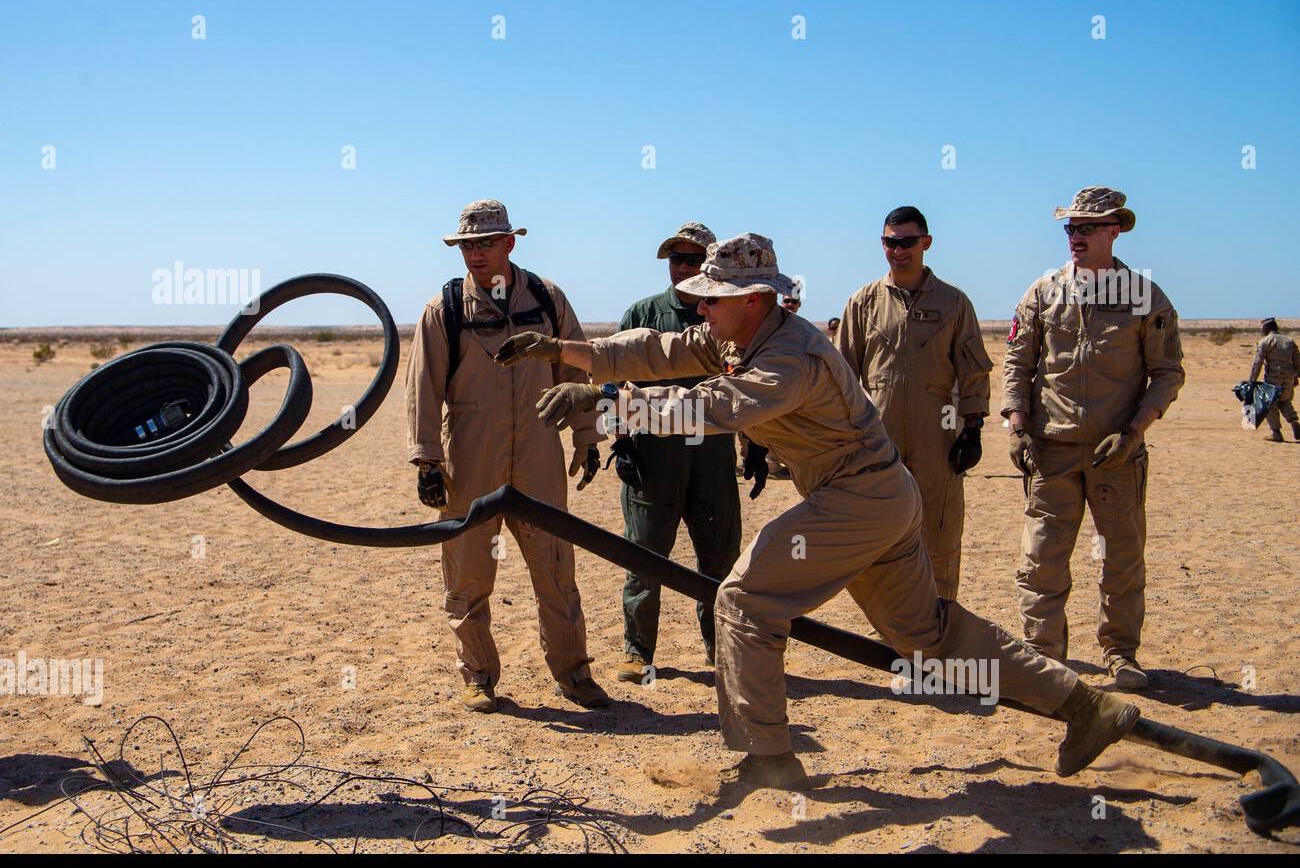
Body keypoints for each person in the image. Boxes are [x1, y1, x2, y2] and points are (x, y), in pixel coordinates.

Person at [497, 232, 1139, 789]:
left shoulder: (787, 356)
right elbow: (657, 352)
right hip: (876, 498)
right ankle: (1085, 707)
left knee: (745, 601)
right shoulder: (738, 332)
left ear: (753, 299)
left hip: (858, 498)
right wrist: (560, 351)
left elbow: (708, 411)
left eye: (712, 298)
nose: (700, 307)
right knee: (928, 638)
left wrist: (605, 405)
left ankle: (768, 758)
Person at [405, 199, 610, 713]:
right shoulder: (444, 309)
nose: (474, 254)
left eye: (485, 244)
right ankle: (477, 678)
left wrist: (586, 435)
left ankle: (574, 675)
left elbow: (576, 366)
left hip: (540, 459)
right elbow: (422, 389)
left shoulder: (546, 298)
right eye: (467, 245)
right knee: (468, 576)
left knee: (556, 572)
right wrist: (428, 460)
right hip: (470, 462)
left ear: (509, 243)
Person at [1003, 187, 1185, 691]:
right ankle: (1042, 655)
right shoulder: (1043, 292)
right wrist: (1017, 425)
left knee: (1121, 557)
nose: (1075, 236)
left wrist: (1134, 431)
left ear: (1115, 229)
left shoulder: (1146, 297)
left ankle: (1120, 653)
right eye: (1070, 228)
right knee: (1042, 557)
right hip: (1051, 448)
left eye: (1086, 227)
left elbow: (1167, 372)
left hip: (1116, 453)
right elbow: (1017, 363)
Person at [836, 206, 991, 599]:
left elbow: (972, 371)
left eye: (906, 242)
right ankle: (894, 630)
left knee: (938, 534)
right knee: (881, 537)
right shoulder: (863, 303)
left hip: (938, 441)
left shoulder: (954, 303)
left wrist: (972, 430)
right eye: (890, 242)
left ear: (926, 243)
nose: (898, 250)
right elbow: (841, 377)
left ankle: (941, 624)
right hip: (878, 442)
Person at [610, 222, 741, 681]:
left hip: (713, 457)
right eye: (676, 259)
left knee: (719, 561)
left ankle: (721, 651)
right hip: (654, 458)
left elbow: (752, 387)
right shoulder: (641, 313)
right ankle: (637, 652)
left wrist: (758, 449)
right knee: (644, 557)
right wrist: (620, 439)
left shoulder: (729, 316)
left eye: (693, 260)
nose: (683, 267)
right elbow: (612, 379)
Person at [1249, 317, 1300, 442]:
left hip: (1273, 377)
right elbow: (1298, 360)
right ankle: (1294, 422)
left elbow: (1257, 363)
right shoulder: (1289, 340)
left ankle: (1276, 432)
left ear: (1266, 328)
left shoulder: (1265, 342)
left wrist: (1252, 381)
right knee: (1285, 401)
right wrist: (1296, 376)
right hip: (1289, 377)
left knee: (1269, 403)